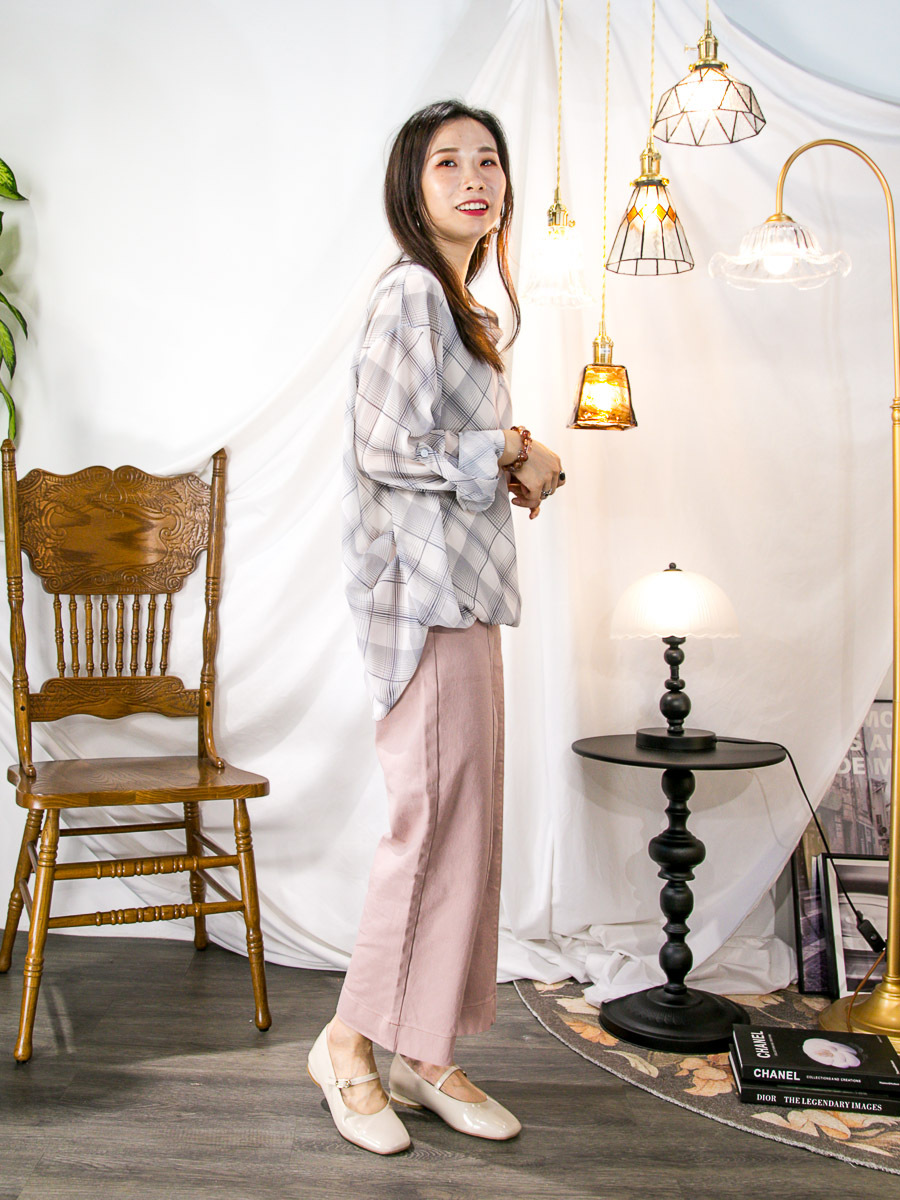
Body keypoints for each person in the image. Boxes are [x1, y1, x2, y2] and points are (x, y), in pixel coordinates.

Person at [307, 100, 564, 1155]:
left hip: (466, 595)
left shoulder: (463, 306)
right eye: (448, 163)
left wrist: (513, 454)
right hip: (421, 600)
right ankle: (348, 1043)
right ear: (412, 188)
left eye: (488, 161)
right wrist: (509, 451)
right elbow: (386, 449)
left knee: (466, 826)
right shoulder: (413, 291)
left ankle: (424, 1049)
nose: (475, 179)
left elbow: (435, 442)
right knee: (428, 825)